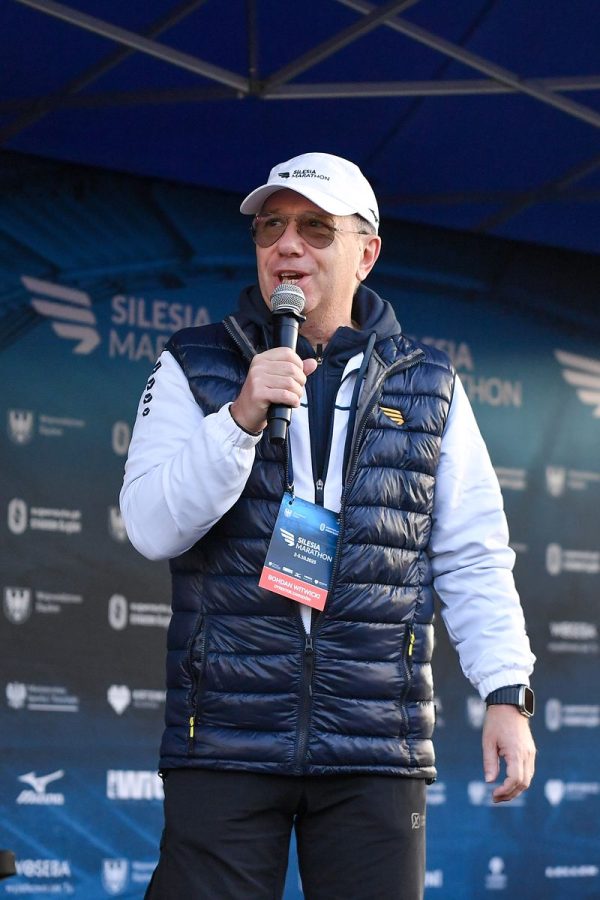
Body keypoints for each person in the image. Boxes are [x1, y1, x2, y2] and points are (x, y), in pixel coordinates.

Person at [120, 151, 536, 900]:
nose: (287, 245)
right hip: (227, 736)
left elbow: (474, 554)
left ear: (365, 254)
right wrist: (239, 418)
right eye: (271, 227)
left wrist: (506, 692)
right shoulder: (193, 363)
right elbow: (151, 527)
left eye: (316, 228)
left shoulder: (429, 382)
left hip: (374, 739)